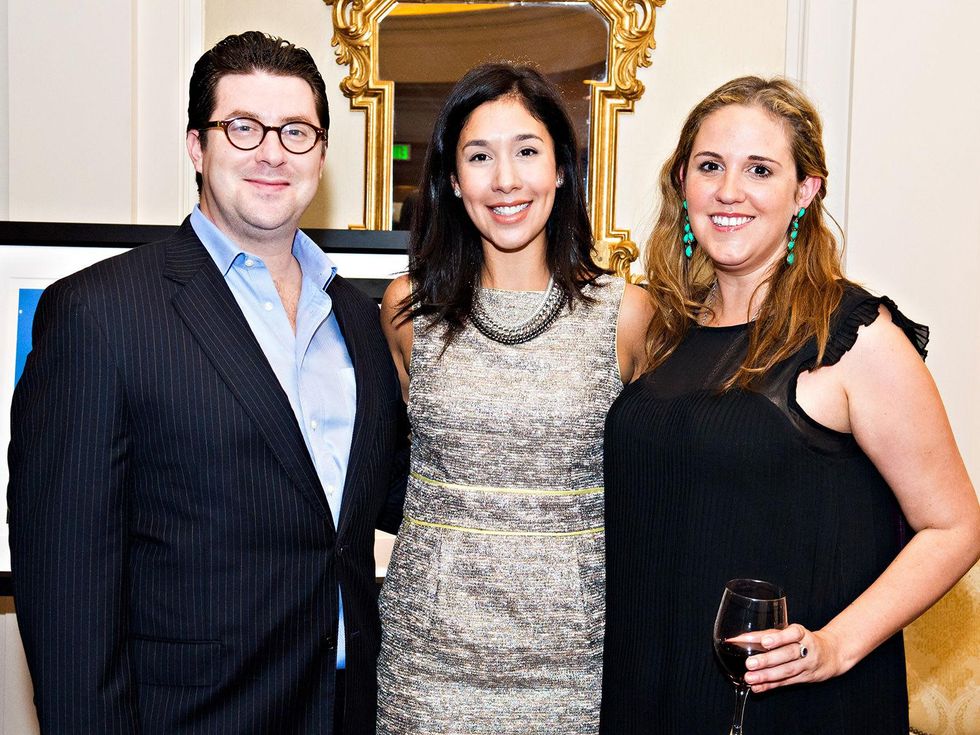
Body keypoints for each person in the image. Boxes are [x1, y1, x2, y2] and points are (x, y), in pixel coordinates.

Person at [7, 31, 405, 734]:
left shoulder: (358, 318)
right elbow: (67, 591)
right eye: (243, 127)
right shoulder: (99, 314)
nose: (272, 152)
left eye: (296, 131)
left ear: (320, 154)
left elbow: (378, 507)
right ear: (197, 146)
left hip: (350, 710)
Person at [600, 76, 980, 734]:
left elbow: (954, 527)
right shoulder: (665, 330)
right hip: (654, 688)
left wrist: (835, 646)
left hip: (790, 706)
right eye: (710, 166)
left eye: (760, 170)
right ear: (682, 182)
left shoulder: (851, 337)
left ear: (804, 191)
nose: (729, 190)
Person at [376, 63, 652, 734]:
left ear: (561, 170)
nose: (505, 179)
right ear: (452, 179)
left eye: (527, 151)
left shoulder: (627, 314)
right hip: (427, 667)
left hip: (576, 666)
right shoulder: (408, 309)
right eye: (479, 156)